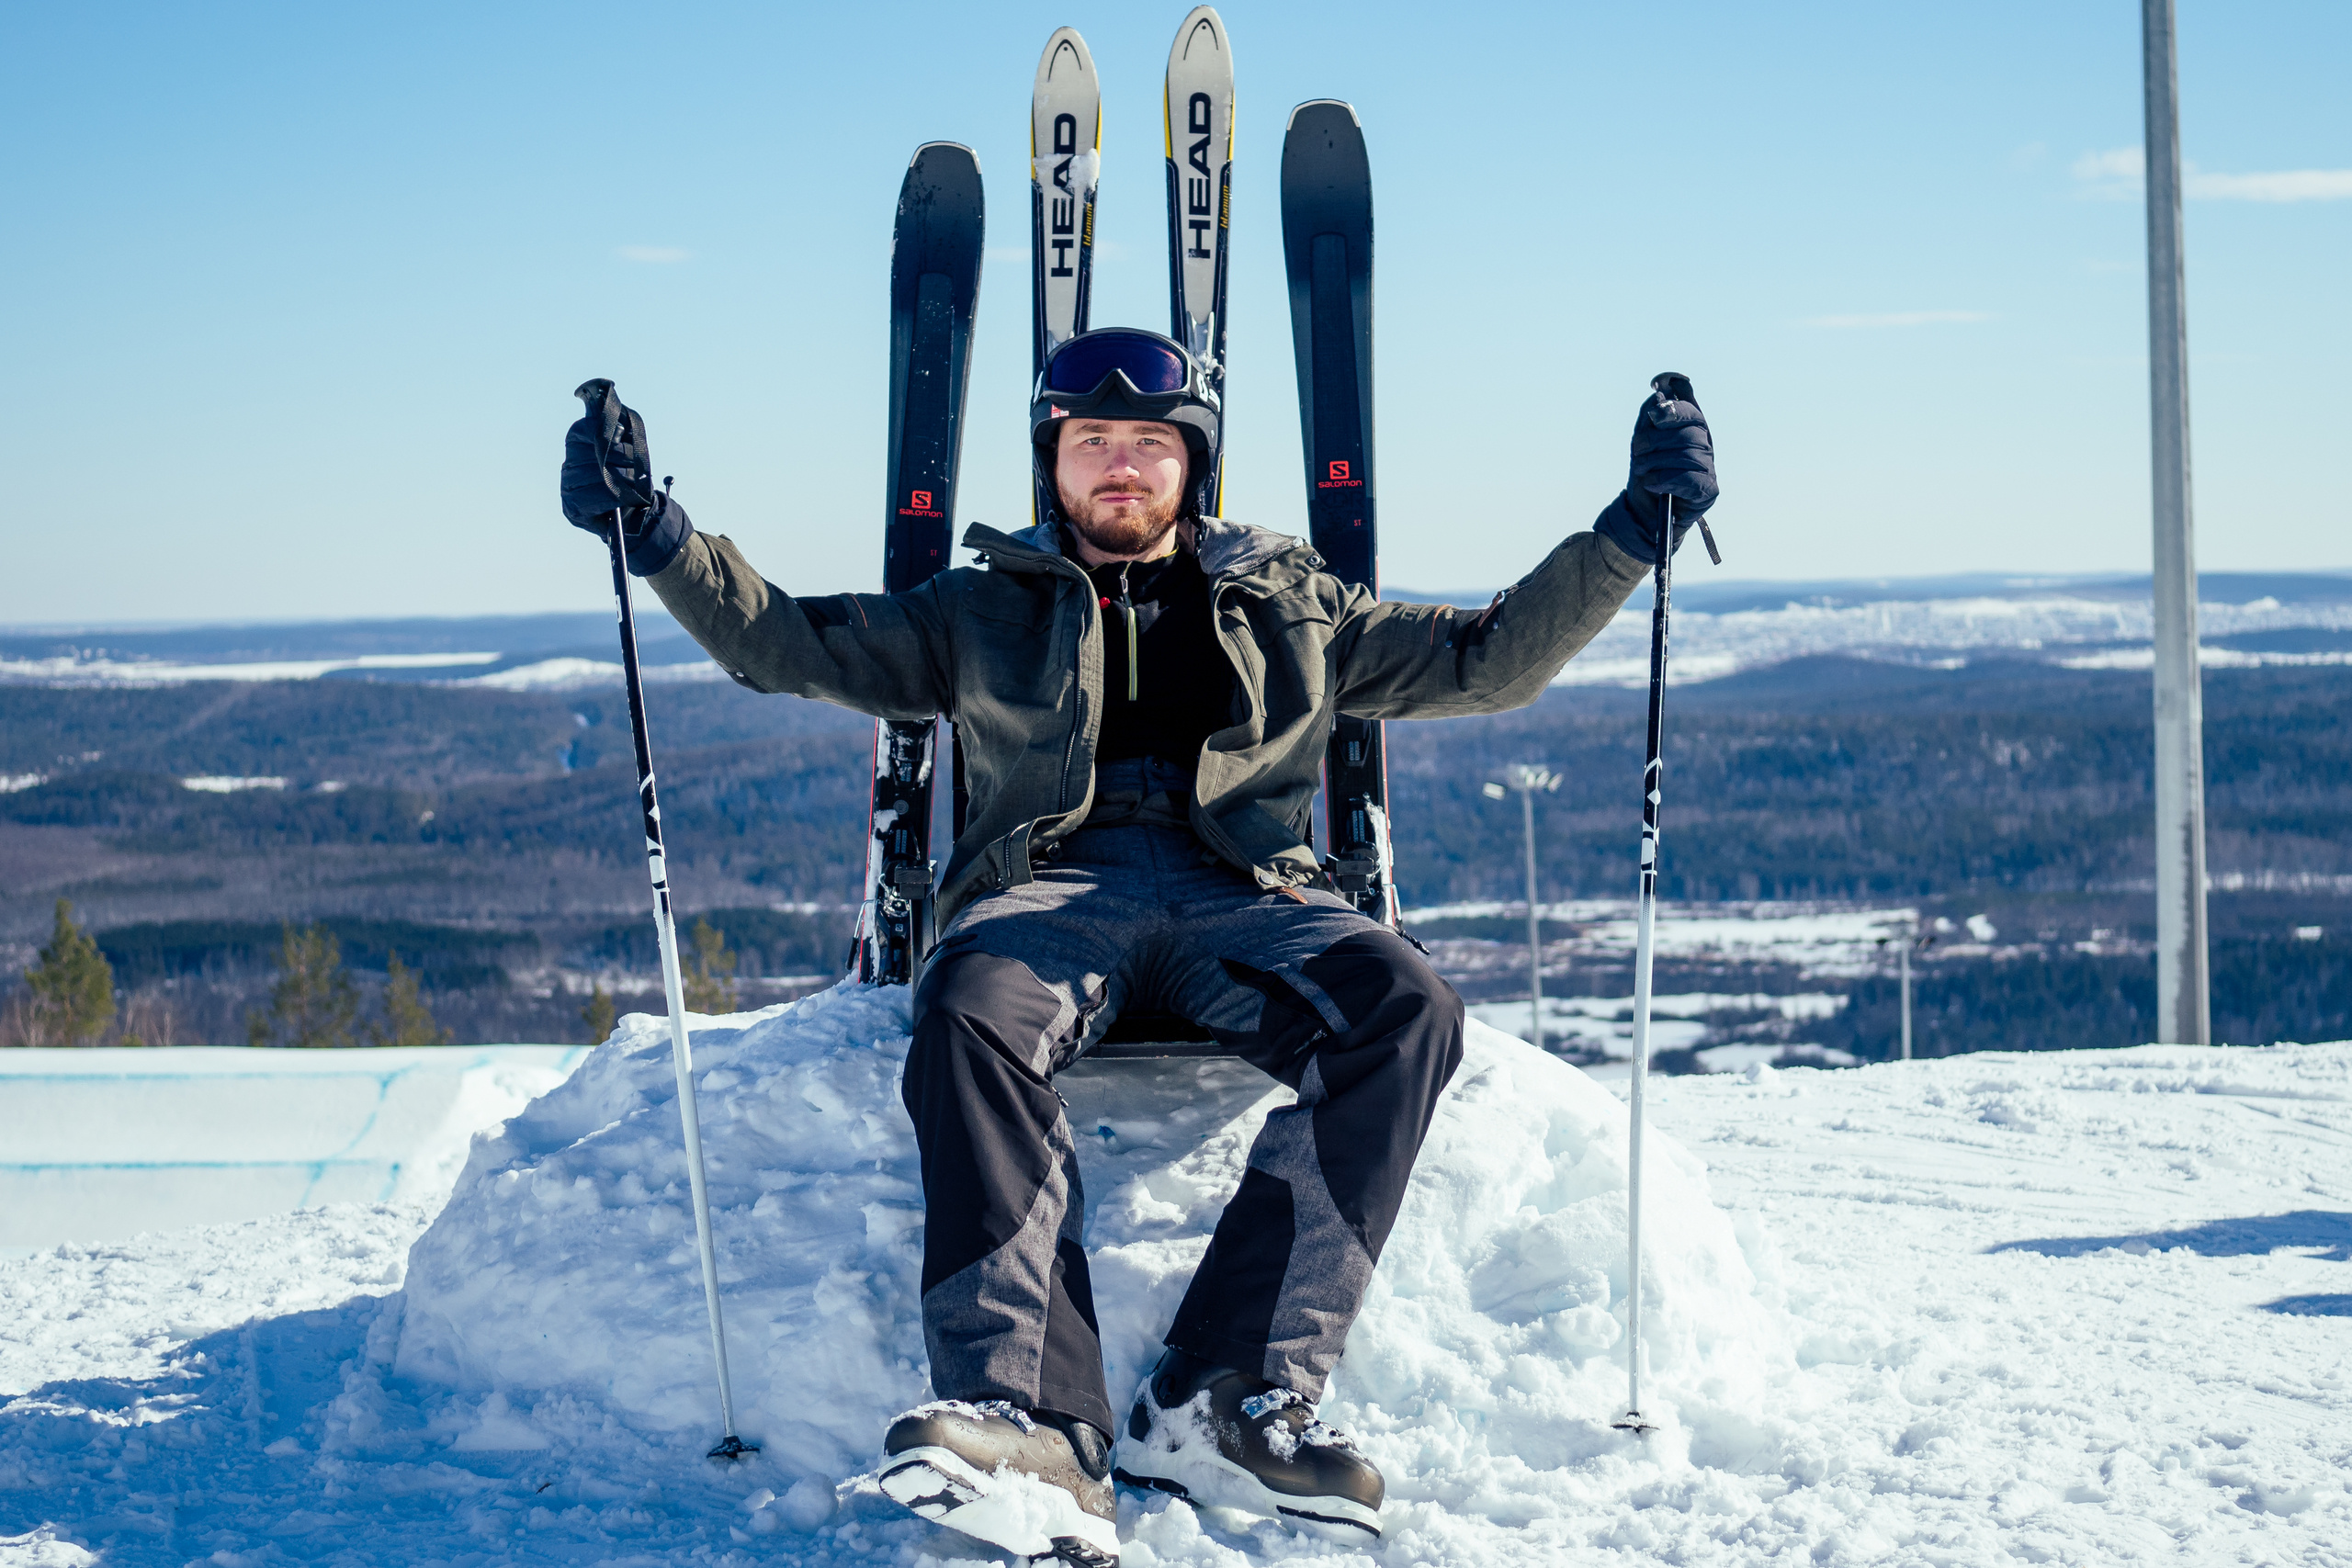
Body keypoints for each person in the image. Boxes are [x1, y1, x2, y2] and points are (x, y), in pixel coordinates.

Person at [561, 329, 1717, 1566]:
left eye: (1149, 443)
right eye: (1092, 441)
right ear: (1053, 460)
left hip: (1247, 894)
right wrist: (658, 532)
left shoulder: (1291, 598)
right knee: (969, 1013)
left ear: (1192, 463)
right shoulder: (980, 606)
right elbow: (787, 643)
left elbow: (1483, 662)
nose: (1120, 465)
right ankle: (1032, 1420)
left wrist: (1628, 534)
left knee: (1405, 1008)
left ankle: (1229, 1393)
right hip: (1051, 890)